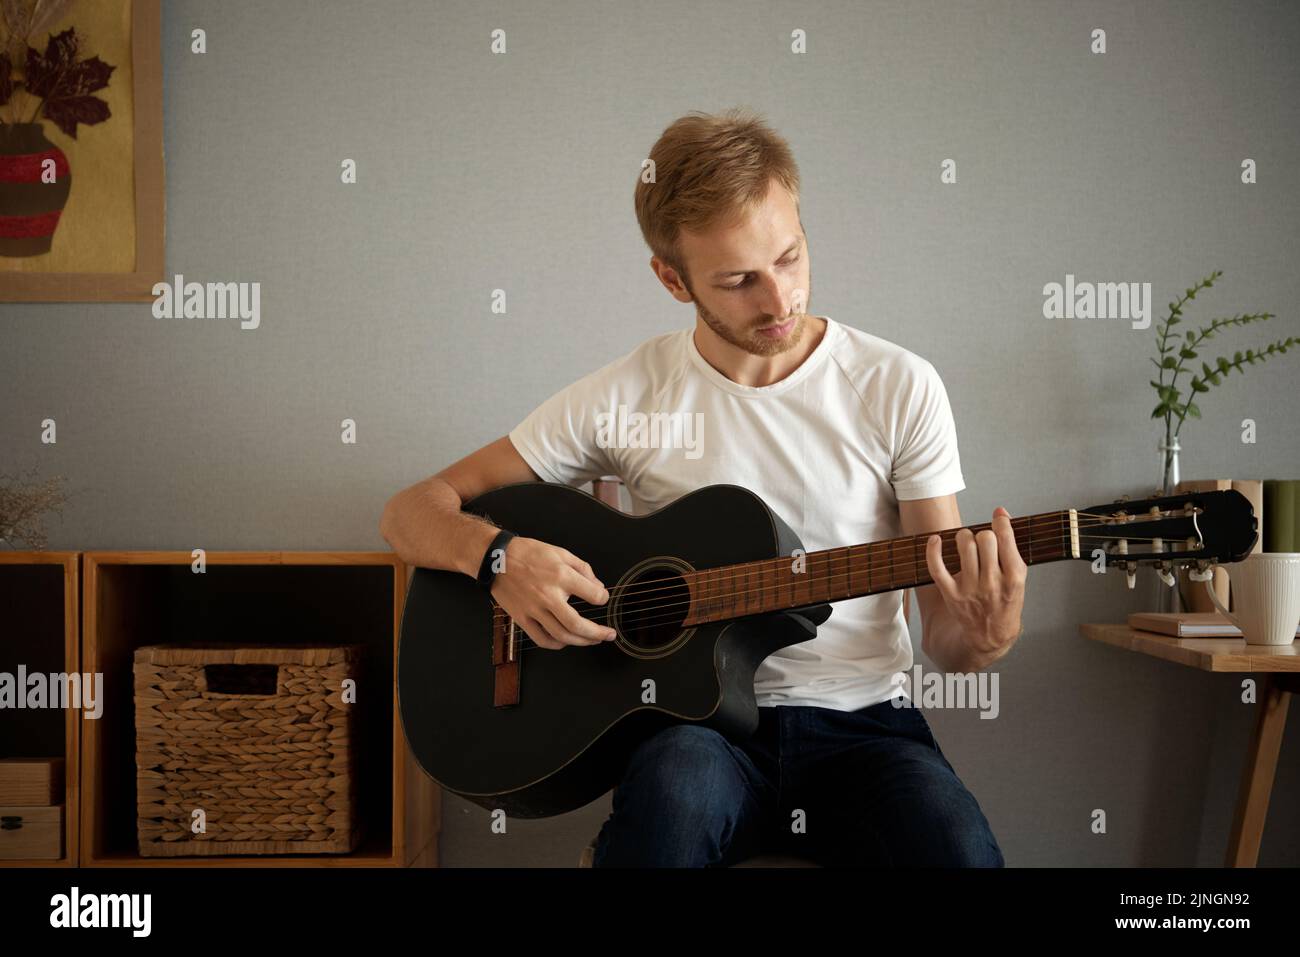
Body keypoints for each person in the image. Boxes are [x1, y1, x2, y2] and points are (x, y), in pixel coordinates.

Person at [380, 108, 1026, 867]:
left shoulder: (897, 386)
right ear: (671, 277)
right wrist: (498, 557)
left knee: (962, 850)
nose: (779, 299)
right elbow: (409, 511)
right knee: (672, 808)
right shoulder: (626, 394)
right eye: (740, 279)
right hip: (696, 731)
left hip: (866, 727)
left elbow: (946, 632)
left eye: (790, 256)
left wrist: (982, 638)